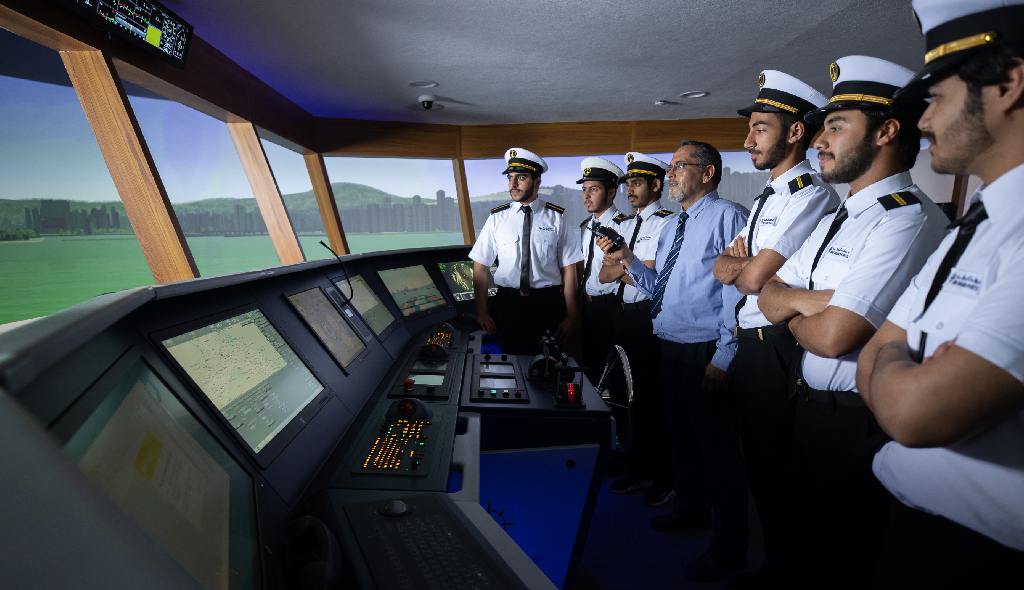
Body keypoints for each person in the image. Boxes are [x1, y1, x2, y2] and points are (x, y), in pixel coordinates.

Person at [757, 56, 948, 587]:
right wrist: (815, 302)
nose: (818, 139)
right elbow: (767, 296)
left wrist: (797, 306)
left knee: (842, 555)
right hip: (812, 407)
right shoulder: (843, 216)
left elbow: (835, 335)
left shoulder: (904, 219)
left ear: (887, 131)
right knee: (803, 537)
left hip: (857, 419)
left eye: (836, 126)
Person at [854, 1, 1024, 587]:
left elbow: (914, 413)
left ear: (1007, 84)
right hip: (921, 531)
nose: (923, 122)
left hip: (982, 556)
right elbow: (876, 354)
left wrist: (896, 365)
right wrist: (904, 364)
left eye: (937, 97)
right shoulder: (982, 223)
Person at [598, 140, 750, 583]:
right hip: (669, 345)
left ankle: (730, 547)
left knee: (719, 454)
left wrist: (725, 356)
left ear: (707, 173)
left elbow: (737, 294)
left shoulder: (730, 218)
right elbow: (656, 286)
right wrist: (627, 262)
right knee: (683, 441)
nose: (670, 174)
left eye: (679, 166)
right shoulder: (671, 227)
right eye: (670, 167)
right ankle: (691, 510)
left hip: (705, 350)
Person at [712, 69, 839, 584]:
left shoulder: (810, 194)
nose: (748, 141)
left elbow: (750, 278)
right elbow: (722, 269)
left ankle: (786, 568)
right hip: (751, 341)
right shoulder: (768, 196)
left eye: (760, 128)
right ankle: (777, 562)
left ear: (794, 133)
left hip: (777, 342)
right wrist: (741, 269)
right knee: (759, 468)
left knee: (779, 472)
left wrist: (743, 269)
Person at [599, 153, 677, 507]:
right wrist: (630, 267)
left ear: (656, 185)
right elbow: (604, 274)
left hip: (648, 317)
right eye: (628, 183)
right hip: (623, 314)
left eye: (638, 183)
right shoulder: (624, 225)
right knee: (628, 397)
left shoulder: (667, 222)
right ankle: (638, 463)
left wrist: (626, 266)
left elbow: (656, 276)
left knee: (651, 399)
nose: (629, 190)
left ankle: (659, 473)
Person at [469, 148, 583, 355]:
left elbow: (569, 270)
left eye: (520, 178)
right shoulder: (496, 218)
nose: (513, 185)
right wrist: (483, 313)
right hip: (507, 306)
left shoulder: (557, 217)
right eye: (510, 178)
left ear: (537, 181)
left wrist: (572, 316)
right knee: (507, 370)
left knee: (548, 368)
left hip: (547, 306)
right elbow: (480, 268)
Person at [576, 157, 627, 389]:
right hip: (587, 307)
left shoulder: (624, 226)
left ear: (611, 193)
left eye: (593, 189)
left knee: (615, 376)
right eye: (584, 190)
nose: (586, 196)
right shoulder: (587, 226)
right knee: (592, 371)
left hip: (612, 308)